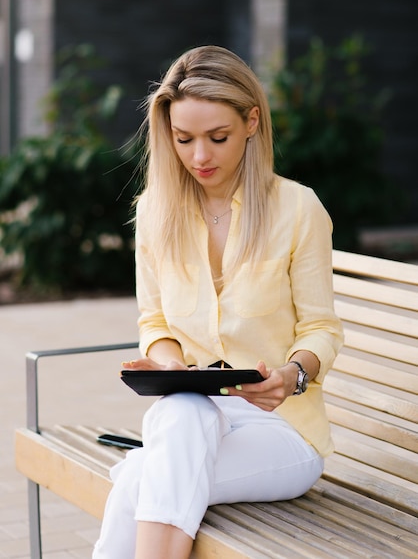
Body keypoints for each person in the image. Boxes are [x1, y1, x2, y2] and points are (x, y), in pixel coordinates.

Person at [93, 45, 344, 559]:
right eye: (183, 139)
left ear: (252, 121)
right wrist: (168, 366)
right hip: (193, 417)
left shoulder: (298, 209)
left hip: (283, 430)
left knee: (146, 472)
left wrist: (291, 374)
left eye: (217, 137)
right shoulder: (155, 211)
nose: (200, 156)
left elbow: (321, 328)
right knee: (180, 416)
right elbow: (154, 320)